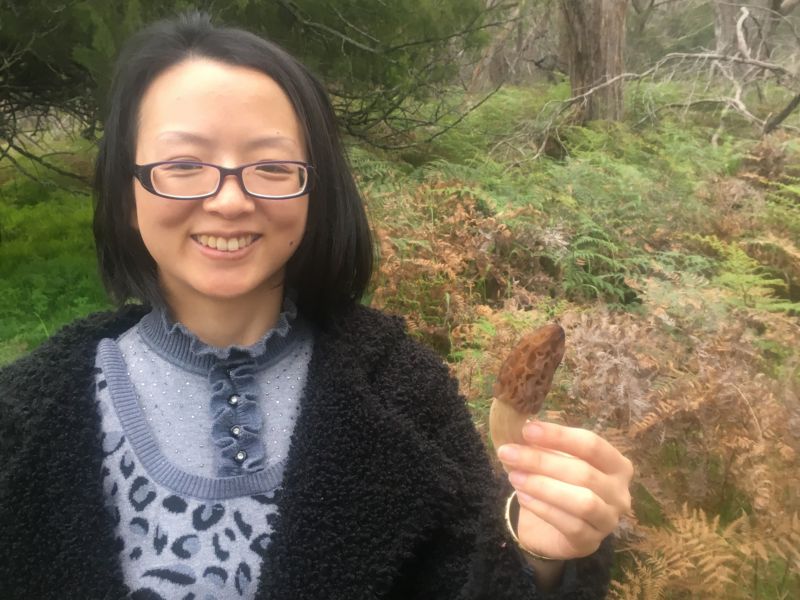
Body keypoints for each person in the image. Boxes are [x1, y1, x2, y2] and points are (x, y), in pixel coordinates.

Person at [0, 12, 632, 600]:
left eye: (271, 166)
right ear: (125, 188)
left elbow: (474, 578)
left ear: (315, 188)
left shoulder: (405, 394)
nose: (228, 200)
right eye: (184, 163)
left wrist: (540, 558)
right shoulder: (25, 414)